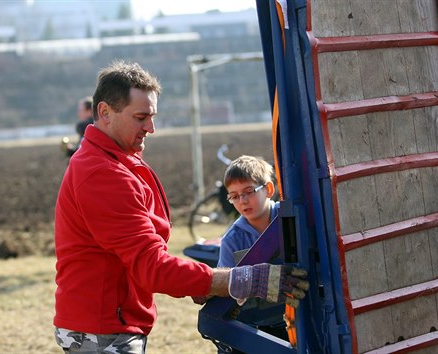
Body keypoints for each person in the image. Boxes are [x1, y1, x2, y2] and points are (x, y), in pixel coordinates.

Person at [53, 60, 308, 353]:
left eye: (152, 116)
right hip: (100, 330)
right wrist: (241, 280)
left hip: (111, 320)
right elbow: (152, 267)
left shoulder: (116, 159)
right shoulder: (103, 174)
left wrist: (201, 282)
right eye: (140, 117)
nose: (151, 127)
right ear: (105, 112)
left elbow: (146, 254)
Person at [216, 155, 286, 352]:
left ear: (269, 189)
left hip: (297, 320)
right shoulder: (231, 241)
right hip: (255, 326)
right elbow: (225, 287)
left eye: (249, 191)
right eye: (234, 196)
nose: (243, 201)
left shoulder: (290, 217)